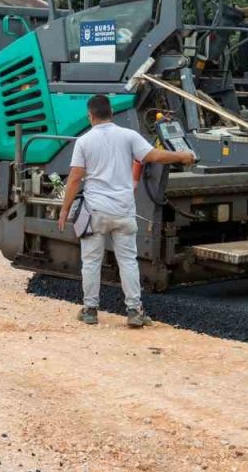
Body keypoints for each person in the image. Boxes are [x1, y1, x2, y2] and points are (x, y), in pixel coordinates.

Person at [57, 94, 196, 327]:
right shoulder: (128, 136)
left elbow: (74, 179)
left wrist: (64, 210)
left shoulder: (84, 141)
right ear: (110, 112)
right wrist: (182, 156)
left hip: (96, 210)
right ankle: (134, 311)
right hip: (123, 210)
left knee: (91, 261)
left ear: (90, 115)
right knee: (128, 261)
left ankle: (90, 310)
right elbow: (154, 156)